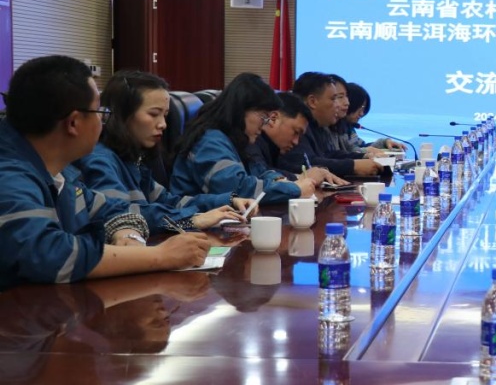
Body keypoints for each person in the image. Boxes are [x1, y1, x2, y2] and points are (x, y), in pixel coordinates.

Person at [0, 56, 209, 289]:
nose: (103, 122)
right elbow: (48, 255)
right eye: (99, 112)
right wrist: (160, 256)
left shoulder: (61, 172)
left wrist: (127, 233)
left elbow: (112, 209)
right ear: (73, 123)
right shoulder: (9, 175)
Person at [76, 71, 258, 234]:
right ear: (122, 115)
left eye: (165, 115)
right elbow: (119, 216)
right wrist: (191, 220)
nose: (163, 124)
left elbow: (170, 202)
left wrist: (228, 201)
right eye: (153, 114)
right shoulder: (100, 160)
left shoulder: (132, 160)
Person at [170, 73, 316, 204]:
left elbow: (260, 171)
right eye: (263, 117)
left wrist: (279, 180)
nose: (264, 125)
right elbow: (238, 189)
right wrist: (294, 189)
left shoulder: (235, 138)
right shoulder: (209, 142)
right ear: (241, 109)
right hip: (191, 220)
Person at [279, 72, 383, 178]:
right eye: (333, 99)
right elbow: (306, 163)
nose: (338, 105)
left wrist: (362, 157)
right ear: (312, 102)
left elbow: (328, 154)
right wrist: (353, 166)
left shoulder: (318, 126)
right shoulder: (296, 127)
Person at [328, 81, 405, 157]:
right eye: (361, 108)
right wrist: (366, 151)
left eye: (364, 109)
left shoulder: (349, 128)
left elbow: (361, 146)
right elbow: (346, 153)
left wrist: (384, 142)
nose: (361, 114)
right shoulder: (333, 129)